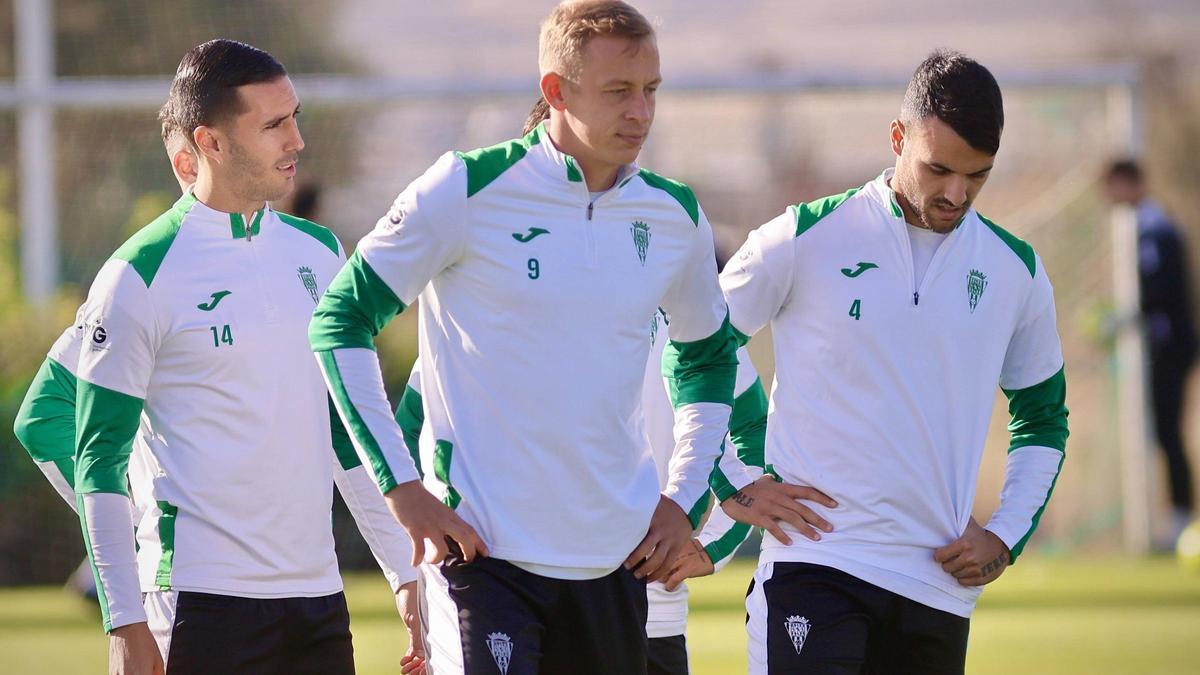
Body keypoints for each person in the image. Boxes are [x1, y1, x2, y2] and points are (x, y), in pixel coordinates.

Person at [308, 2, 824, 672]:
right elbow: (339, 320)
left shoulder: (673, 216)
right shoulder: (465, 188)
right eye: (618, 92)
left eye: (650, 91)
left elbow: (706, 359)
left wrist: (684, 500)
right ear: (555, 90)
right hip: (483, 561)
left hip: (613, 565)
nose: (640, 112)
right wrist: (403, 489)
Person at [66, 39, 422, 674]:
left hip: (317, 600)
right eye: (273, 125)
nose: (297, 141)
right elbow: (99, 459)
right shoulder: (137, 276)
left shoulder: (319, 253)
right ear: (210, 143)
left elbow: (347, 434)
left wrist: (404, 571)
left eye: (295, 118)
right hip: (196, 605)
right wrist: (124, 621)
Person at [724, 50, 1069, 673]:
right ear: (897, 137)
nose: (957, 193)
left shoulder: (1015, 271)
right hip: (816, 567)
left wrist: (1005, 535)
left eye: (978, 176)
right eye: (938, 169)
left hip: (937, 588)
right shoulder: (804, 237)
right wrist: (733, 478)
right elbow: (694, 348)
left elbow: (1043, 418)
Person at [393, 307, 773, 675]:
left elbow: (749, 432)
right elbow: (410, 428)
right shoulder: (499, 292)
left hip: (651, 609)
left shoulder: (695, 308)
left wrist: (714, 545)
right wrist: (426, 546)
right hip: (499, 585)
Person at [1104, 158, 1196, 545]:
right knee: (1161, 432)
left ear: (1130, 183)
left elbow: (1164, 291)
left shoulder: (1156, 230)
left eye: (1114, 186)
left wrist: (1129, 316)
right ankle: (1174, 517)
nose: (1109, 197)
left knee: (1168, 432)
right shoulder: (1141, 228)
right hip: (1159, 349)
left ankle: (1182, 517)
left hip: (1171, 348)